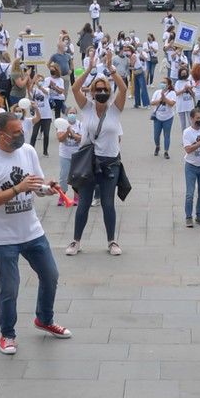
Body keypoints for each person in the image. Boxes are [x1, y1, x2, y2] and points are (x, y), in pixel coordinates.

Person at [0, 109, 69, 354]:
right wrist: (17, 189)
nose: (21, 135)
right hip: (3, 237)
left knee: (50, 276)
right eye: (16, 132)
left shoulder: (27, 152)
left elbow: (36, 187)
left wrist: (49, 188)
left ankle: (45, 319)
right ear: (2, 135)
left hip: (32, 231)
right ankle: (7, 334)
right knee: (10, 287)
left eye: (21, 130)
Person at [66, 61, 127, 255]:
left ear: (108, 91)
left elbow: (124, 89)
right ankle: (76, 241)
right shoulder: (86, 108)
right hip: (89, 163)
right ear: (92, 92)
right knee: (83, 203)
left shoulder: (115, 109)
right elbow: (75, 88)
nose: (101, 92)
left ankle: (112, 242)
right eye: (98, 89)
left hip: (110, 163)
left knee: (108, 203)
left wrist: (111, 69)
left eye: (104, 89)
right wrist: (89, 69)